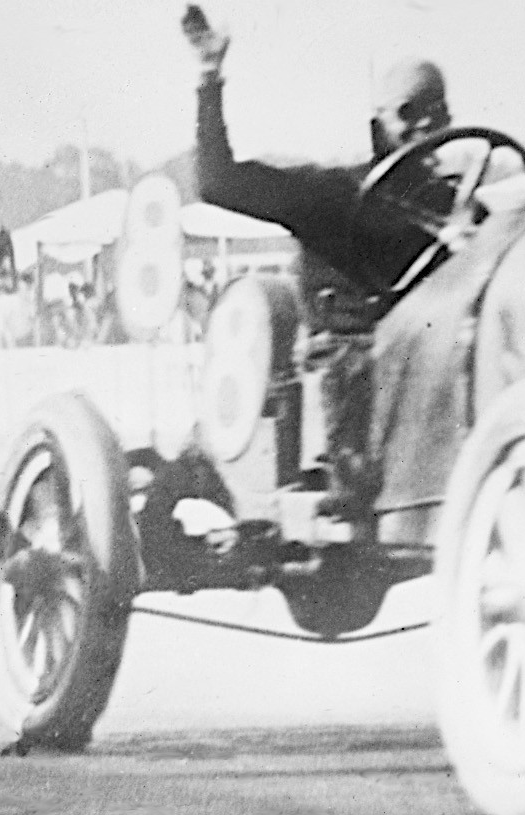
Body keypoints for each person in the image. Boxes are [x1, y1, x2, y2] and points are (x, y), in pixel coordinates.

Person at [184, 4, 466, 523]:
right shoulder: (331, 194)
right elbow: (219, 182)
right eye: (409, 111)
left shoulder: (455, 203)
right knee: (356, 363)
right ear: (380, 123)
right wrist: (209, 76)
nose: (426, 124)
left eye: (437, 110)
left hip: (427, 357)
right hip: (353, 357)